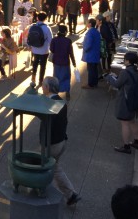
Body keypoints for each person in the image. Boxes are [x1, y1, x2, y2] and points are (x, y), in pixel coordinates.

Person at [40, 77, 81, 206]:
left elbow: (49, 126)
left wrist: (44, 143)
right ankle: (71, 194)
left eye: (43, 85)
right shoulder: (61, 102)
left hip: (52, 143)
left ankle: (41, 192)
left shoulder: (50, 104)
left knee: (44, 167)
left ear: (47, 87)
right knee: (55, 167)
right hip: (61, 141)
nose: (41, 87)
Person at [106, 52, 138, 154]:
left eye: (125, 59)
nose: (124, 60)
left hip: (126, 101)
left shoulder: (125, 72)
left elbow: (117, 84)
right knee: (132, 121)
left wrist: (110, 77)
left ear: (128, 61)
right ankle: (136, 141)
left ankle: (126, 146)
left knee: (125, 123)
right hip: (135, 100)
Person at [49, 25, 77, 100]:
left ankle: (56, 92)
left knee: (56, 77)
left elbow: (52, 50)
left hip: (56, 62)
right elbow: (71, 53)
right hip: (65, 62)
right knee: (66, 77)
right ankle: (67, 91)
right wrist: (74, 62)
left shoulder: (54, 40)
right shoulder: (68, 41)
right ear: (65, 32)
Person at [29, 12, 52, 86]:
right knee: (43, 65)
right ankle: (40, 81)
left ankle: (33, 79)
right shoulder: (47, 28)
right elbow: (50, 40)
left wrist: (30, 46)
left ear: (37, 18)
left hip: (35, 49)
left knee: (35, 64)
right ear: (45, 19)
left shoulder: (33, 26)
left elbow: (29, 37)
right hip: (44, 50)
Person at [82, 18, 102, 89]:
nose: (86, 23)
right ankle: (95, 83)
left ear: (90, 24)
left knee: (90, 70)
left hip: (91, 54)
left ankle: (90, 84)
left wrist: (84, 48)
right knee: (95, 69)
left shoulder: (90, 32)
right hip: (96, 53)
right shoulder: (96, 31)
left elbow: (88, 44)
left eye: (87, 22)